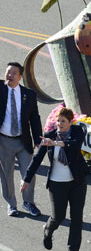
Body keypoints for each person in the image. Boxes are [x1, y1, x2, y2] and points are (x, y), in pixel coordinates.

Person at [22, 107, 89, 251]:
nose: (59, 123)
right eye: (58, 120)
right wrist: (26, 179)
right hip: (56, 184)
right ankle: (48, 230)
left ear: (70, 122)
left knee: (77, 217)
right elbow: (37, 159)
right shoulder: (49, 137)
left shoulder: (77, 132)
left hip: (77, 182)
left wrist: (56, 143)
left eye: (63, 121)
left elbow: (74, 144)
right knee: (58, 216)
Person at [1, 62, 42, 217]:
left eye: (13, 73)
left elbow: (34, 118)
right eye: (7, 72)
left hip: (23, 140)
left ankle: (28, 203)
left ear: (20, 76)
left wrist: (38, 138)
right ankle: (11, 204)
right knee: (7, 175)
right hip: (4, 142)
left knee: (29, 173)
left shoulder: (28, 94)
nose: (9, 75)